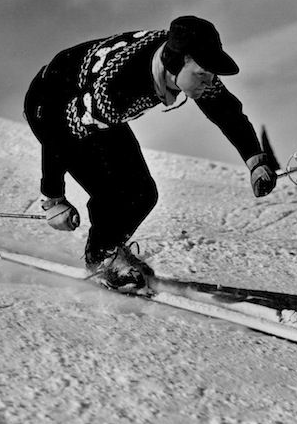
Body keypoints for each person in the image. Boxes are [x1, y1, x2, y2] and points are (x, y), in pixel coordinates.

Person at [24, 15, 280, 289]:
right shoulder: (118, 87)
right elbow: (58, 132)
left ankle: (108, 249)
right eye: (203, 75)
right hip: (51, 105)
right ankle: (101, 259)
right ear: (174, 63)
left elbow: (226, 110)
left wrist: (256, 160)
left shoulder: (185, 61)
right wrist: (53, 197)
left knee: (143, 193)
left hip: (90, 107)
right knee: (116, 194)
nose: (209, 82)